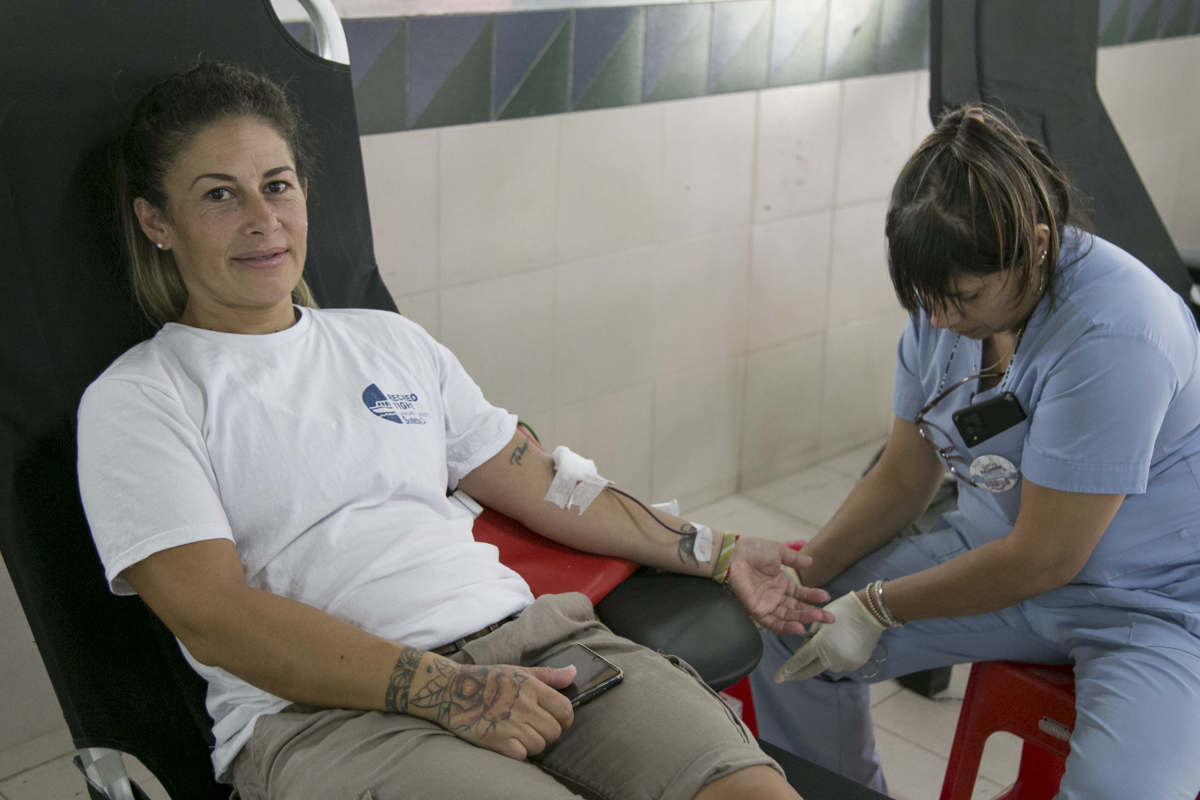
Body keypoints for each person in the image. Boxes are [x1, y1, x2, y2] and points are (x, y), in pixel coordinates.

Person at [76, 62, 833, 800]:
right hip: (331, 718)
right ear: (156, 221)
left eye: (277, 185)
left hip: (535, 645)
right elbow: (214, 618)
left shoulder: (388, 342)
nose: (263, 219)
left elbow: (547, 484)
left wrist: (715, 549)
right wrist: (446, 691)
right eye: (220, 194)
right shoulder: (142, 399)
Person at [749, 105, 1200, 799]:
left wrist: (877, 606)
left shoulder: (1119, 331)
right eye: (926, 299)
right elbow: (903, 476)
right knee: (783, 630)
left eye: (962, 298)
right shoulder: (945, 299)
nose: (940, 320)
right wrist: (803, 574)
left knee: (1121, 791)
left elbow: (1046, 558)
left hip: (1148, 599)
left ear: (1038, 245)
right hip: (992, 552)